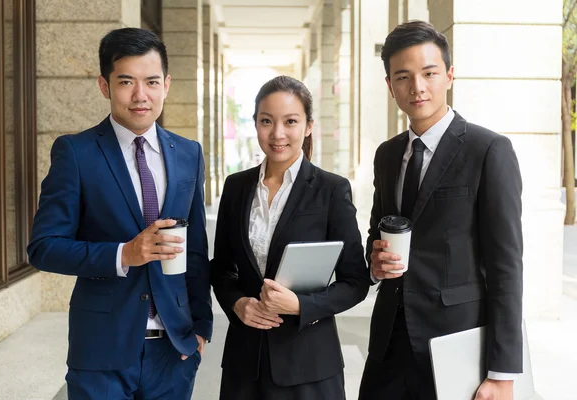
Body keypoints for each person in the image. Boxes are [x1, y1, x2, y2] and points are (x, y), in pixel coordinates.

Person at [27, 28, 212, 400]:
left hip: (173, 352)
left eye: (151, 82)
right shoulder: (76, 153)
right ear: (104, 85)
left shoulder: (188, 153)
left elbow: (195, 249)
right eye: (126, 81)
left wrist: (201, 330)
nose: (140, 95)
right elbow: (44, 247)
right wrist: (124, 254)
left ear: (167, 85)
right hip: (101, 352)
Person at [359, 20, 524, 400]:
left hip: (455, 345)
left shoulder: (487, 151)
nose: (417, 87)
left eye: (429, 73)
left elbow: (506, 266)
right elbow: (377, 231)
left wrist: (501, 373)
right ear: (390, 86)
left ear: (449, 75)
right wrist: (375, 262)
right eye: (403, 77)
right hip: (389, 345)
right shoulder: (387, 155)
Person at [210, 75, 370, 400]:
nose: (277, 133)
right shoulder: (236, 187)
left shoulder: (331, 190)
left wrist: (301, 305)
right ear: (255, 123)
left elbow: (356, 281)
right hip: (245, 364)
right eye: (266, 121)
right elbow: (222, 268)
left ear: (308, 126)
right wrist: (237, 303)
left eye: (290, 121)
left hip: (309, 368)